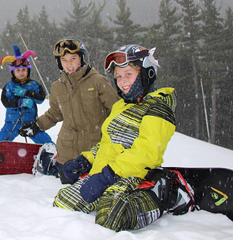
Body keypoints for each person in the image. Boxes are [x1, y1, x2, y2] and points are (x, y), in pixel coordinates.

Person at [52, 44, 195, 232]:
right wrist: (84, 161)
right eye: (118, 76)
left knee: (111, 216)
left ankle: (167, 193)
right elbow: (107, 144)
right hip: (106, 171)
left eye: (128, 74)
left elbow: (147, 152)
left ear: (146, 73)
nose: (122, 81)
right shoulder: (121, 106)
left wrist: (108, 176)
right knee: (63, 201)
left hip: (133, 174)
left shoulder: (158, 106)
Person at [19, 37, 119, 183]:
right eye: (64, 60)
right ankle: (47, 161)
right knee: (62, 182)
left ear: (81, 58)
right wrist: (36, 125)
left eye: (73, 58)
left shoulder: (98, 82)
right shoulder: (57, 87)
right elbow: (54, 114)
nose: (69, 64)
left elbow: (117, 111)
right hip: (66, 153)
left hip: (94, 152)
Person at [0, 45, 56, 175]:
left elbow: (41, 98)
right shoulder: (9, 86)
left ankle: (57, 156)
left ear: (28, 70)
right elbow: (5, 102)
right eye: (18, 71)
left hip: (30, 124)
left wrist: (28, 93)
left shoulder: (33, 85)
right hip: (11, 122)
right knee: (0, 140)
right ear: (13, 72)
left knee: (45, 140)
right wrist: (19, 102)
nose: (21, 72)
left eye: (24, 69)